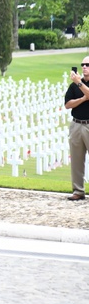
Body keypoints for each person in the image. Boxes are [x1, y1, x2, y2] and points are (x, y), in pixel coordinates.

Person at [64, 58, 89, 200]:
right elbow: (68, 104)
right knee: (77, 160)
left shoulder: (77, 83)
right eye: (83, 65)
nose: (84, 67)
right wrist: (83, 99)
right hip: (76, 125)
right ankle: (78, 190)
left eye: (87, 65)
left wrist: (79, 83)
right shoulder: (73, 86)